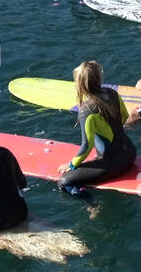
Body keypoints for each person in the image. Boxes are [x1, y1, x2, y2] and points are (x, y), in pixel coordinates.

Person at [57, 61, 136, 195]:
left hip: (113, 164)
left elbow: (86, 147)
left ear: (80, 85)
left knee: (64, 182)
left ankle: (92, 205)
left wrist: (70, 166)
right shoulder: (112, 93)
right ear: (98, 77)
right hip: (131, 153)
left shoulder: (86, 110)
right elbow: (125, 117)